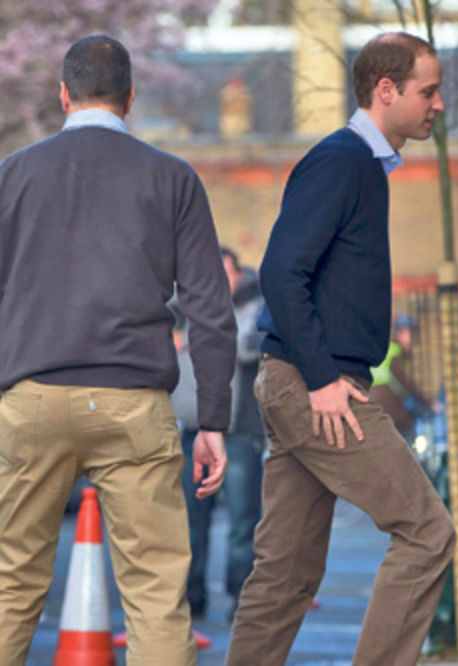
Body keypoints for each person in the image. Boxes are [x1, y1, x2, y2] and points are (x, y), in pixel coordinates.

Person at [0, 35, 235, 664]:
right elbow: (211, 308)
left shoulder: (12, 175)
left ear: (62, 94)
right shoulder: (173, 178)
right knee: (156, 593)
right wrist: (212, 417)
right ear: (131, 98)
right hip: (133, 404)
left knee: (11, 582)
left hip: (32, 398)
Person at [225, 33, 456, 666]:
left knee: (286, 576)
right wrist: (324, 379)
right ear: (387, 91)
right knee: (427, 533)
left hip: (301, 382)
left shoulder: (361, 164)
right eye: (428, 91)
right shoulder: (342, 160)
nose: (439, 104)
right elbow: (280, 273)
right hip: (318, 387)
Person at [177, 247, 265, 622]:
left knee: (243, 524)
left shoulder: (255, 307)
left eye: (225, 271)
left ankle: (240, 600)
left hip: (239, 431)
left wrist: (203, 330)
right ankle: (191, 597)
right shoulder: (182, 309)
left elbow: (248, 348)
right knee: (189, 522)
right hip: (192, 428)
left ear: (238, 275)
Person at [370, 313, 433, 443]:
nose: (409, 338)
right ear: (398, 334)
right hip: (387, 405)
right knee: (407, 433)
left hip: (377, 405)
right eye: (405, 333)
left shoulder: (389, 349)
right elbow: (405, 384)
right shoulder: (395, 352)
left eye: (411, 334)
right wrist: (425, 402)